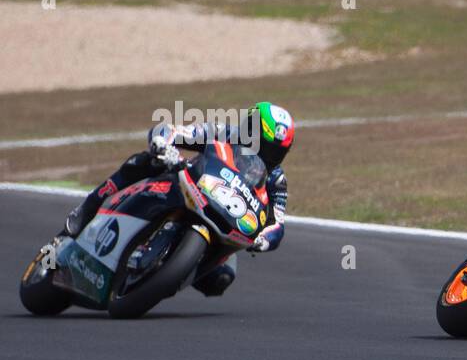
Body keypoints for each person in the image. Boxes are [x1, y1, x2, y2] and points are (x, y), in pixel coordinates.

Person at [61, 102, 294, 296]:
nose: (266, 154)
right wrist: (164, 143)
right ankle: (88, 207)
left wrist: (264, 240)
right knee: (144, 161)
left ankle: (171, 268)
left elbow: (277, 224)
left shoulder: (276, 181)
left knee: (221, 280)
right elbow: (175, 130)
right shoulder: (223, 133)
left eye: (275, 151)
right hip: (188, 186)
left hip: (223, 223)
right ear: (248, 130)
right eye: (262, 144)